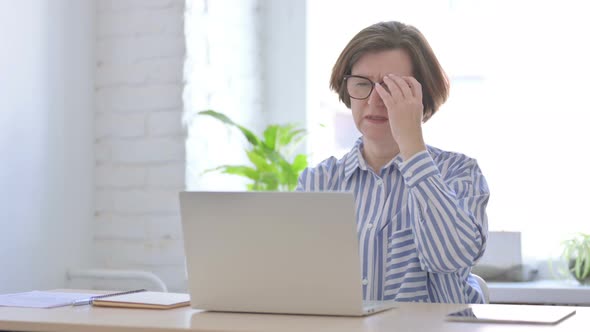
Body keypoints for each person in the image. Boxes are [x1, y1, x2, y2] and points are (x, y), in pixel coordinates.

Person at [296, 21, 489, 304]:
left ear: (422, 96)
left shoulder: (459, 172)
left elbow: (450, 258)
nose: (374, 101)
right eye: (362, 84)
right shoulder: (318, 181)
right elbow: (301, 280)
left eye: (392, 88)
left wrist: (412, 144)